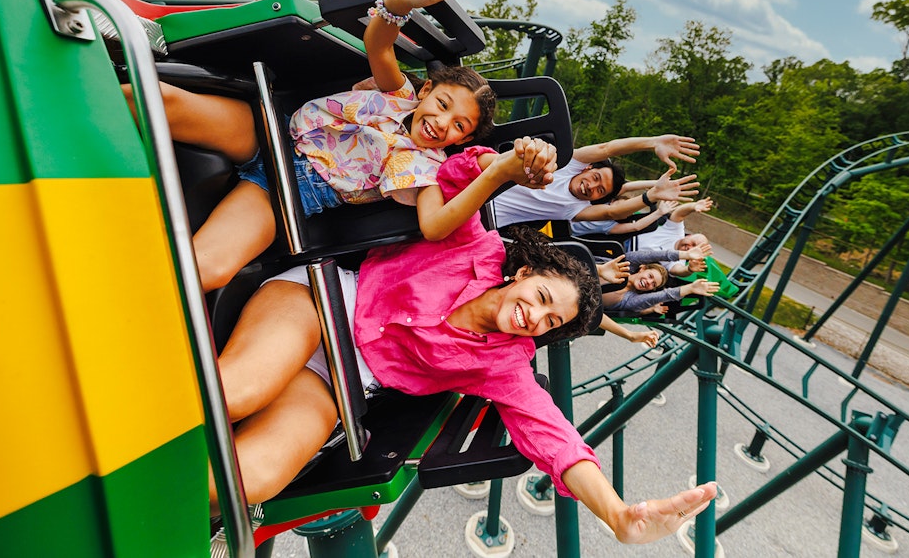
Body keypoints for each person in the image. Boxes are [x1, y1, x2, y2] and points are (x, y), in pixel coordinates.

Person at [211, 134, 715, 549]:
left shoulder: (503, 366)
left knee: (255, 477)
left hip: (342, 379)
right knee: (239, 392)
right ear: (524, 273)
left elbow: (556, 439)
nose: (534, 317)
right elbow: (453, 177)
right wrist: (506, 164)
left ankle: (142, 498)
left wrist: (618, 515)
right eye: (541, 297)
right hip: (323, 305)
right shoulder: (474, 245)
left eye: (550, 322)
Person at [124, 0, 555, 293]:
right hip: (270, 133)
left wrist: (498, 171)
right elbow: (378, 42)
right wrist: (397, 2)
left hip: (292, 190)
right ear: (425, 92)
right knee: (161, 99)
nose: (444, 123)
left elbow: (434, 225)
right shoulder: (398, 94)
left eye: (460, 126)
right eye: (443, 104)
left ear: (462, 140)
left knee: (208, 269)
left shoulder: (426, 169)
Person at [489, 134, 702, 230]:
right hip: (480, 179)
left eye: (600, 191)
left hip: (483, 217)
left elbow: (612, 213)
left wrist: (651, 196)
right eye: (596, 178)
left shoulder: (574, 209)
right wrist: (652, 142)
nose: (591, 186)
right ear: (589, 167)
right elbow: (606, 149)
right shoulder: (569, 164)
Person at [601, 248, 719, 316]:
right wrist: (685, 255)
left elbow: (662, 296)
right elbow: (655, 255)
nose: (648, 282)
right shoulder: (625, 265)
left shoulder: (629, 299)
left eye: (653, 284)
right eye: (650, 276)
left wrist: (690, 289)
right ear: (642, 268)